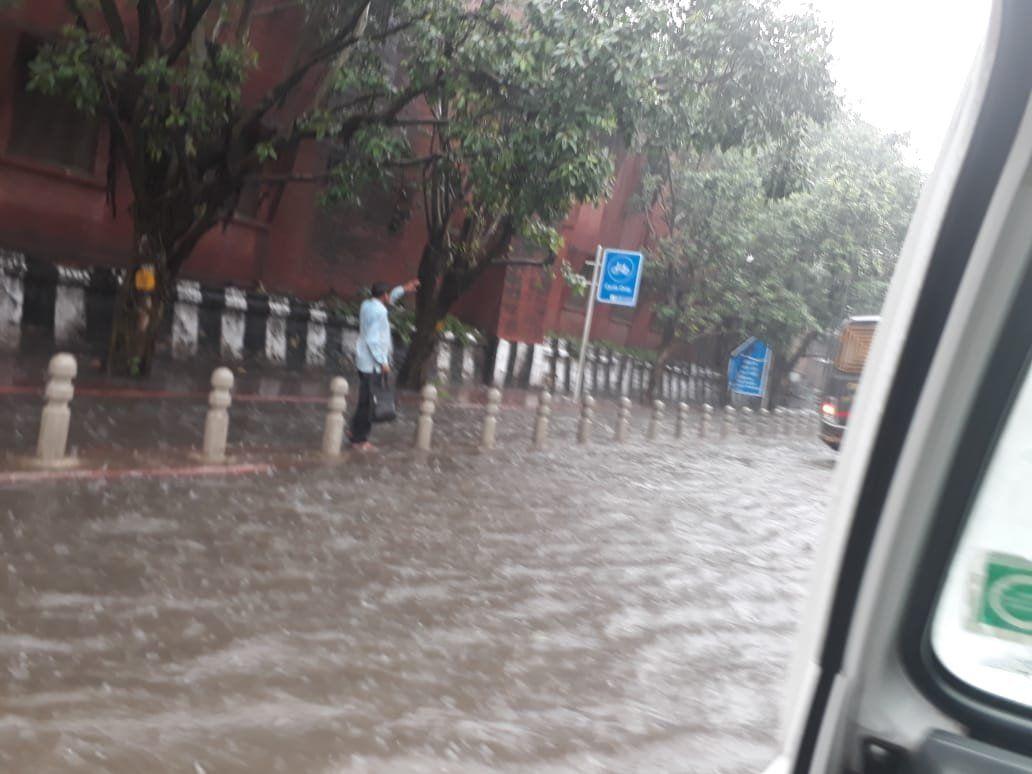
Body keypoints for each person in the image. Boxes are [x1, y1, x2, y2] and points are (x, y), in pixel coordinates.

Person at [348, 278, 419, 450]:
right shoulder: (380, 312)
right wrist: (383, 361)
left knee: (364, 400)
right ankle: (361, 440)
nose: (389, 299)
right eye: (388, 296)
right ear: (384, 296)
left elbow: (388, 301)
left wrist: (403, 289)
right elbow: (373, 340)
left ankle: (354, 432)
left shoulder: (367, 304)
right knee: (369, 403)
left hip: (363, 361)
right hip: (373, 364)